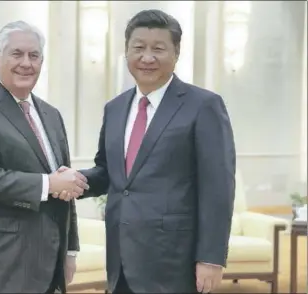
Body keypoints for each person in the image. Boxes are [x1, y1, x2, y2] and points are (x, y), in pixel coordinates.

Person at [58, 9, 236, 293]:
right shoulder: (115, 108)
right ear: (126, 52)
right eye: (138, 48)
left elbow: (218, 188)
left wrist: (211, 258)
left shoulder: (203, 106)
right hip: (121, 256)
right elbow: (109, 172)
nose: (147, 57)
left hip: (174, 260)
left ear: (176, 53)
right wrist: (75, 180)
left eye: (158, 49)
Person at [0, 20, 88, 294]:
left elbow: (64, 179)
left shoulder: (51, 115)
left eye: (34, 55)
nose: (26, 63)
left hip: (47, 266)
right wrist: (49, 184)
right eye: (17, 54)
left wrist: (70, 249)